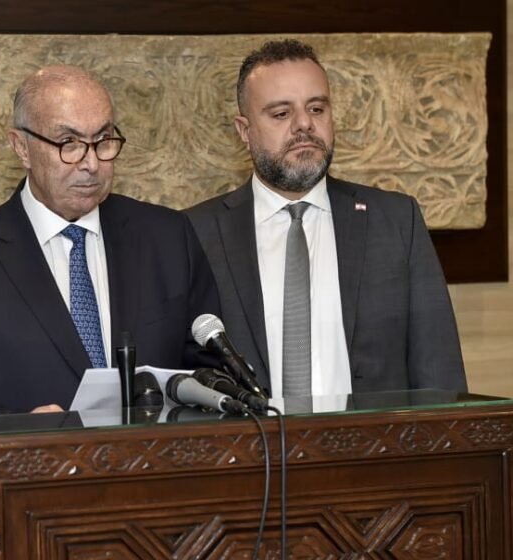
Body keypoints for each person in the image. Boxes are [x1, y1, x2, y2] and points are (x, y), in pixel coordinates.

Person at [0, 65, 220, 422]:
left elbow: (211, 374)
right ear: (21, 147)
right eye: (69, 144)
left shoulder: (168, 238)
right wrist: (23, 427)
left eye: (103, 141)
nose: (91, 163)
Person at [185, 39, 466, 400]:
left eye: (317, 108)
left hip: (374, 437)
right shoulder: (196, 233)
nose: (304, 124)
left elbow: (439, 371)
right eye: (281, 114)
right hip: (250, 437)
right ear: (244, 131)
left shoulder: (396, 221)